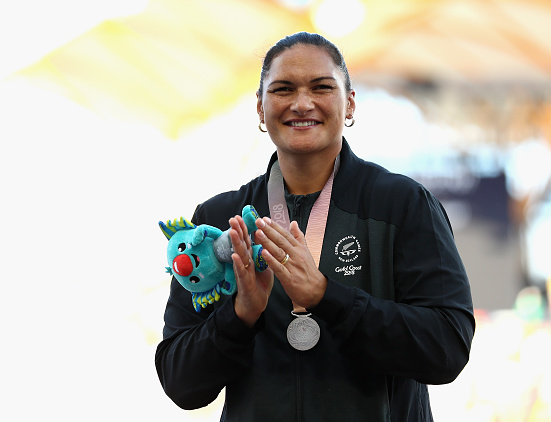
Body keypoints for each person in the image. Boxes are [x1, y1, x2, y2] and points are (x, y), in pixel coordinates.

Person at [155, 32, 474, 422]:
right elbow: (180, 382)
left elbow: (447, 347)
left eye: (322, 87)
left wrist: (326, 297)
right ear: (260, 107)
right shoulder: (217, 221)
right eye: (283, 89)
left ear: (350, 102)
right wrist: (239, 316)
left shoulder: (403, 205)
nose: (302, 103)